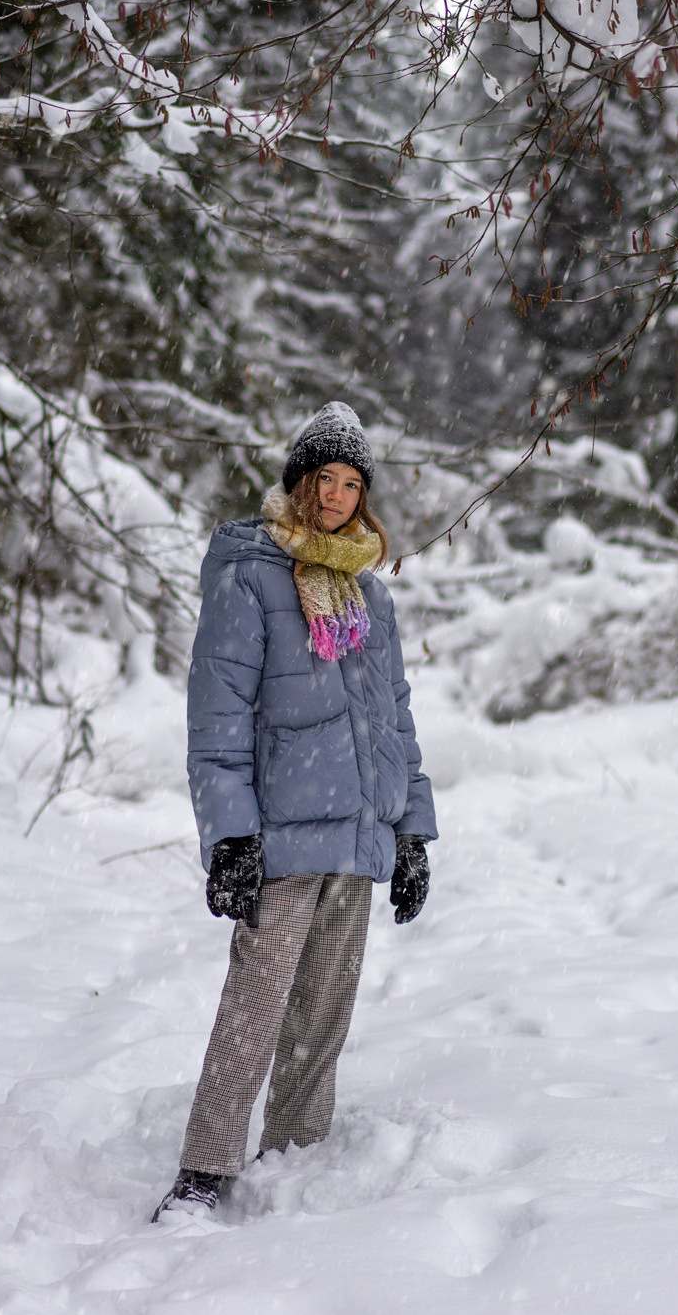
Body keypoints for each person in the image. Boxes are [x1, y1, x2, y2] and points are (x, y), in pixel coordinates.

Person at [152, 401, 438, 1222]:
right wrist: (229, 834)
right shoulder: (253, 577)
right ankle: (205, 1168)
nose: (341, 496)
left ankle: (297, 1160)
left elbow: (396, 719)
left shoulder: (370, 599)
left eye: (354, 483)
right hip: (279, 834)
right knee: (255, 1006)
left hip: (356, 834)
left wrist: (411, 830)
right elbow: (218, 714)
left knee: (324, 1010)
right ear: (300, 481)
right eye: (328, 479)